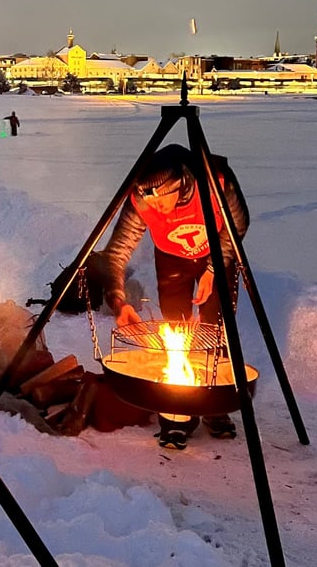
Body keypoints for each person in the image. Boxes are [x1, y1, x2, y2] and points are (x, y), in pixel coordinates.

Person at [101, 143, 249, 448]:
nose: (152, 210)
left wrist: (212, 270)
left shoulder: (216, 182)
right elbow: (116, 252)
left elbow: (238, 224)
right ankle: (177, 414)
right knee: (175, 328)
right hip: (172, 257)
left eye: (159, 201)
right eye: (146, 202)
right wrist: (118, 300)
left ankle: (214, 407)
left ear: (179, 185)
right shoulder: (142, 199)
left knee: (215, 329)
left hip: (217, 254)